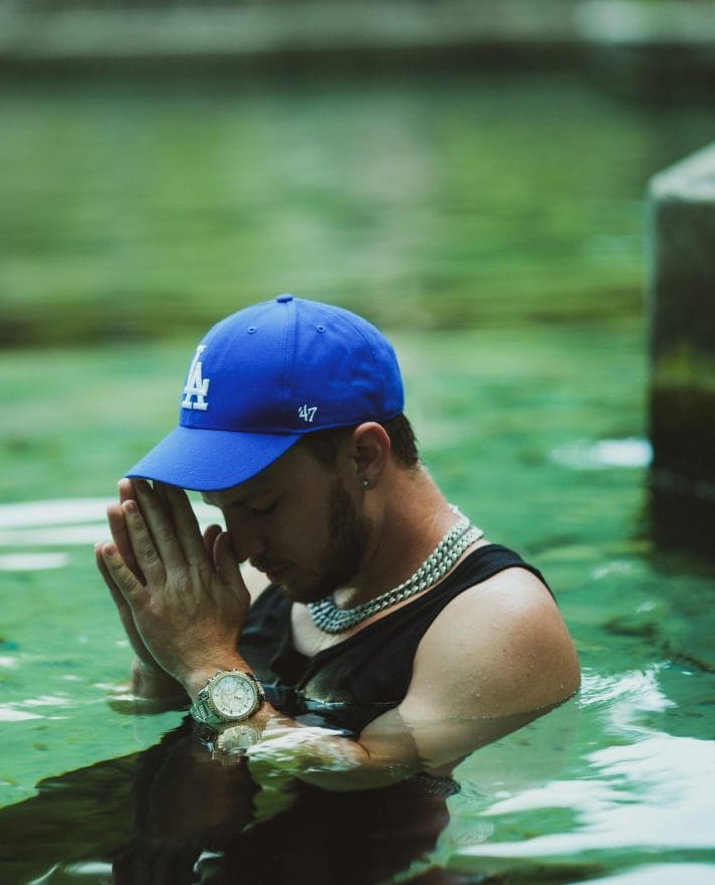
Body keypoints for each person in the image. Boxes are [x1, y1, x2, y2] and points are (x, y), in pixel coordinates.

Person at [95, 294, 580, 785]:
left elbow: (366, 774)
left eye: (263, 507)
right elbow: (162, 720)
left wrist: (206, 664)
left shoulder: (498, 620)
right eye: (222, 509)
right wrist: (161, 655)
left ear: (365, 457)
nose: (241, 546)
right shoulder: (257, 584)